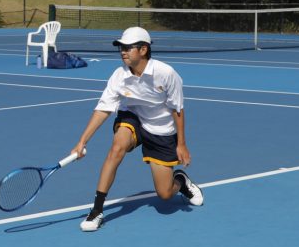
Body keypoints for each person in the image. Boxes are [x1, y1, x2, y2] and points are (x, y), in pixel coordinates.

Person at [70, 26, 203, 232]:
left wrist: (182, 144)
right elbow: (103, 109)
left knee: (165, 195)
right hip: (133, 118)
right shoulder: (119, 75)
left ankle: (181, 181)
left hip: (160, 128)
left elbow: (177, 109)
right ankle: (96, 211)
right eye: (121, 47)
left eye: (128, 47)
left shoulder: (166, 73)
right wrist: (82, 141)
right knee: (117, 146)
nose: (123, 51)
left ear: (143, 50)